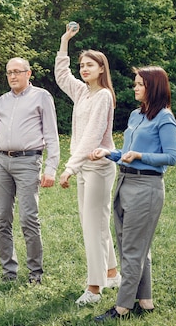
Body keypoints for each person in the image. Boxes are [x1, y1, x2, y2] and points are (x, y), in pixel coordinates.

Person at [89, 66, 176, 321]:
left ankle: (122, 307)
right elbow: (127, 153)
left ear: (154, 87)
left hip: (147, 188)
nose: (135, 87)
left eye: (140, 84)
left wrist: (141, 156)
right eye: (135, 83)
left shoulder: (165, 118)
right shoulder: (135, 116)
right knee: (135, 246)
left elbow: (171, 157)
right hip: (125, 182)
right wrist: (108, 153)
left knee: (132, 249)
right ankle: (145, 300)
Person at [54, 22, 121, 306]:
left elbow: (93, 135)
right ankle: (113, 273)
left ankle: (94, 289)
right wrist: (64, 42)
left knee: (93, 227)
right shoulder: (83, 92)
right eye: (82, 65)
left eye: (89, 65)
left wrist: (70, 167)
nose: (83, 69)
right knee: (92, 222)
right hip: (84, 167)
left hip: (98, 166)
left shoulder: (104, 96)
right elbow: (61, 75)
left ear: (101, 69)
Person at [0, 57, 60, 284]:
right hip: (3, 162)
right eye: (8, 73)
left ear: (28, 73)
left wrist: (51, 168)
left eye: (17, 72)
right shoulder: (2, 101)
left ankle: (36, 273)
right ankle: (9, 273)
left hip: (28, 162)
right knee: (1, 219)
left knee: (28, 219)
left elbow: (52, 134)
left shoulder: (42, 97)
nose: (12, 76)